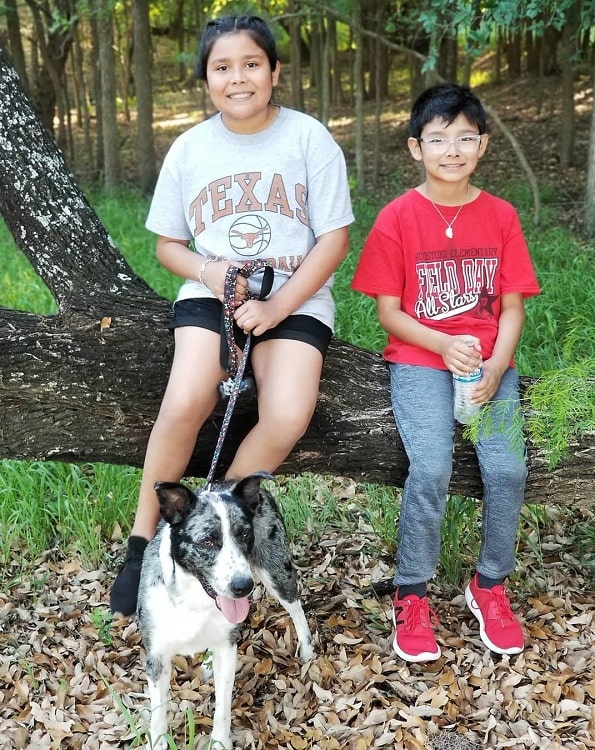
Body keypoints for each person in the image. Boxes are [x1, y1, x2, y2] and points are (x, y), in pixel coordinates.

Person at [110, 15, 354, 616]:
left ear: (274, 72)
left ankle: (214, 530)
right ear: (206, 79)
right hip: (211, 293)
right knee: (187, 397)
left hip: (294, 295)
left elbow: (335, 239)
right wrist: (212, 273)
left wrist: (279, 306)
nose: (237, 77)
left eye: (251, 64)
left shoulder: (308, 138)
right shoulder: (190, 147)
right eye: (222, 67)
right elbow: (168, 246)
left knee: (289, 413)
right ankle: (145, 546)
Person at [351, 83, 540, 662]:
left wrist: (498, 364)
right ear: (416, 148)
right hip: (419, 362)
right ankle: (411, 594)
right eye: (438, 139)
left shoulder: (501, 216)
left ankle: (489, 584)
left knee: (507, 469)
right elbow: (389, 312)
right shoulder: (397, 217)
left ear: (482, 145)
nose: (451, 149)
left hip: (489, 364)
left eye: (464, 138)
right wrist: (442, 342)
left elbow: (512, 306)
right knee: (430, 468)